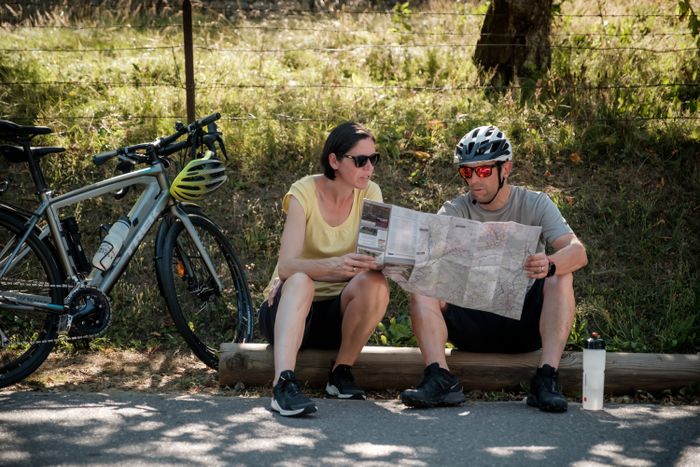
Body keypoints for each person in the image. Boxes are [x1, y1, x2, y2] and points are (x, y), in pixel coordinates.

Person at [400, 125, 588, 412]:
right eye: (467, 172)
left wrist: (550, 264)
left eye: (484, 171)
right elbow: (424, 255)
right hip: (470, 322)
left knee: (561, 277)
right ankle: (439, 378)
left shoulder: (535, 202)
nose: (474, 180)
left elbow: (577, 251)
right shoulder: (454, 209)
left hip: (523, 325)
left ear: (506, 169)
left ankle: (547, 378)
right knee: (424, 285)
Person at [259, 121, 390, 417]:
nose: (369, 168)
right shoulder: (303, 193)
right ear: (334, 160)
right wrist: (332, 266)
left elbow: (373, 258)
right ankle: (283, 386)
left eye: (374, 159)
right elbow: (286, 266)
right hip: (287, 312)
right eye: (360, 160)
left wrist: (387, 261)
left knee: (375, 283)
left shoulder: (371, 193)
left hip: (337, 317)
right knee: (301, 279)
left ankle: (341, 372)